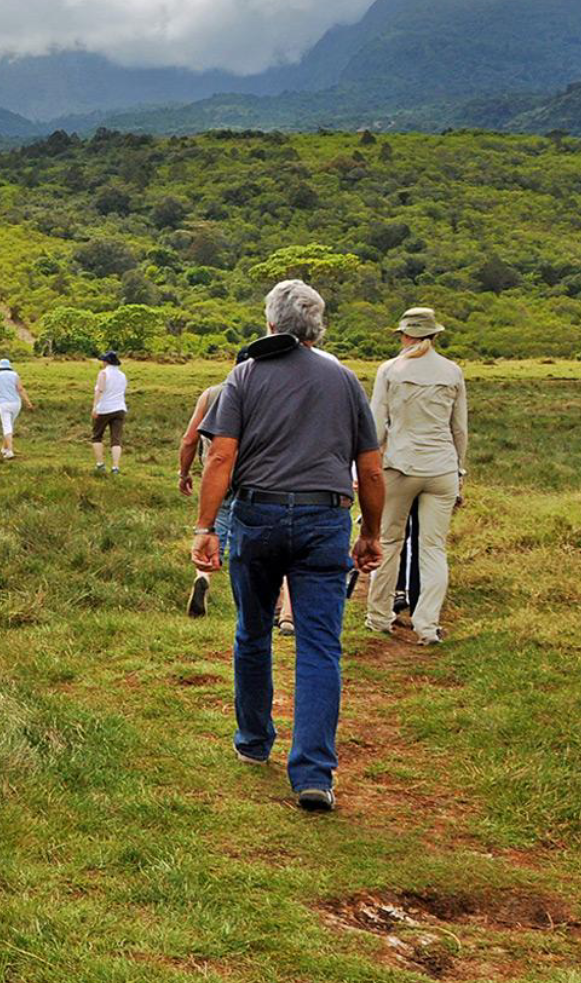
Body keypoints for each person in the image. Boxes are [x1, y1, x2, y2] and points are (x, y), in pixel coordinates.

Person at [191, 279, 385, 814]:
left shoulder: (245, 376)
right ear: (317, 329)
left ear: (270, 324)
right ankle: (314, 775)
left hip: (257, 516)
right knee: (321, 646)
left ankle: (254, 742)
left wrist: (205, 526)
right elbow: (369, 467)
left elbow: (220, 458)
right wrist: (371, 533)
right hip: (326, 519)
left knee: (252, 632)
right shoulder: (345, 380)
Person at [366, 308, 469, 646]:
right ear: (434, 335)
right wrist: (460, 470)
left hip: (400, 465)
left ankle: (379, 616)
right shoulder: (452, 371)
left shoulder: (390, 370)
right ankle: (427, 625)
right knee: (433, 548)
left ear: (405, 335)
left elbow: (376, 424)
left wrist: (366, 468)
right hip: (441, 467)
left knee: (390, 541)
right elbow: (459, 430)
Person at [180, 382, 294, 631]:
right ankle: (285, 613)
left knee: (213, 531)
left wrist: (184, 473)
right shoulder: (268, 391)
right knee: (275, 544)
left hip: (218, 475)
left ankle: (203, 577)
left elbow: (190, 439)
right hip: (257, 479)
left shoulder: (210, 394)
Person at [90, 351, 129, 475]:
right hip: (120, 409)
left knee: (97, 436)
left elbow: (100, 391)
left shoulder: (103, 374)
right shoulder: (122, 375)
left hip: (105, 408)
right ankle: (115, 467)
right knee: (116, 439)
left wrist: (95, 407)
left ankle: (100, 464)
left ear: (106, 362)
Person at [0, 358, 32, 461]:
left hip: (3, 403)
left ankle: (9, 450)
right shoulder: (15, 375)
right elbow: (20, 389)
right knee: (10, 425)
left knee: (6, 426)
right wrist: (28, 402)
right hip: (16, 403)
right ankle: (4, 448)